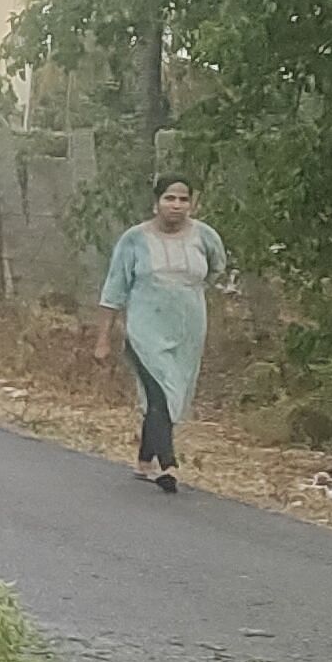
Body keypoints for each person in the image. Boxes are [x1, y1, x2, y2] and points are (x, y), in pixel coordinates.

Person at [91, 177, 226, 492]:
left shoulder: (205, 236)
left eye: (182, 200)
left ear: (192, 204)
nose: (176, 206)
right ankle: (168, 465)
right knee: (160, 393)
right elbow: (114, 290)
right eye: (169, 199)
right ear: (156, 203)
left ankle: (144, 459)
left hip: (188, 330)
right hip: (144, 331)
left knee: (173, 394)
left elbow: (217, 269)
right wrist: (103, 339)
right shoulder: (134, 240)